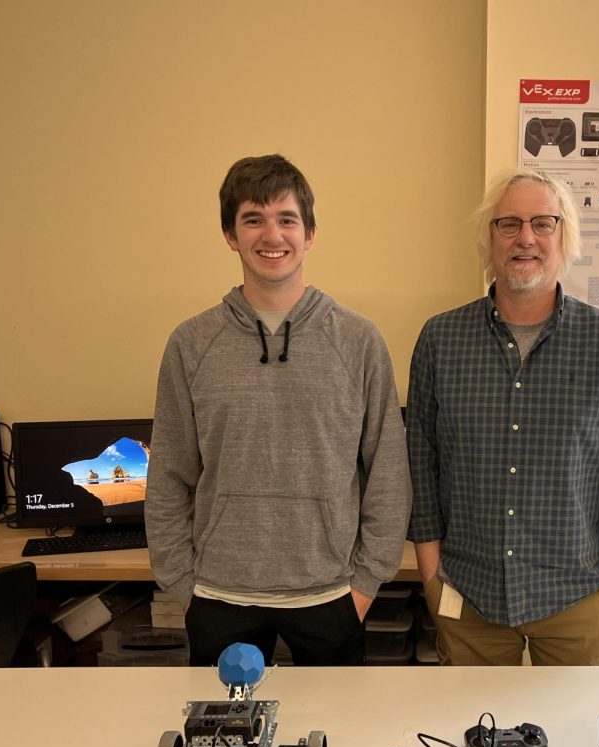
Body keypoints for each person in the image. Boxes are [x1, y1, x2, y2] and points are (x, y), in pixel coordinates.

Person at [147, 154, 411, 667]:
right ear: (230, 233)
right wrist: (182, 586)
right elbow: (169, 474)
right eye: (254, 219)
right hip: (219, 597)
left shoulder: (358, 341)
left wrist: (366, 583)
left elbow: (387, 471)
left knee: (336, 740)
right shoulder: (191, 343)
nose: (273, 235)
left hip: (332, 595)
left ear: (309, 233)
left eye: (287, 219)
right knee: (225, 746)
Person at [406, 169, 599, 666]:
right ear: (488, 240)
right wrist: (432, 580)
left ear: (565, 238)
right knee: (467, 738)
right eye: (509, 224)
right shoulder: (441, 341)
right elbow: (421, 468)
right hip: (467, 598)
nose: (526, 238)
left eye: (544, 223)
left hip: (578, 598)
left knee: (576, 739)